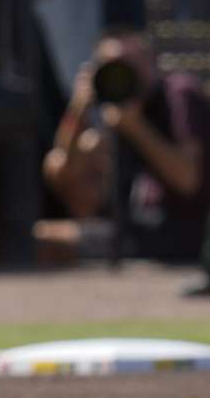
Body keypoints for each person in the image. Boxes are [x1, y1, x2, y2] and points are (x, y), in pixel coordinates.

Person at [37, 29, 210, 274]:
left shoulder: (179, 94)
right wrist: (78, 109)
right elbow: (61, 176)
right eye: (112, 66)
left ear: (151, 65)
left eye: (132, 64)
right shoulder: (110, 109)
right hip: (130, 231)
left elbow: (188, 179)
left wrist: (136, 127)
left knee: (44, 244)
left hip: (182, 235)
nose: (123, 76)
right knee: (39, 237)